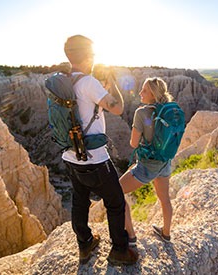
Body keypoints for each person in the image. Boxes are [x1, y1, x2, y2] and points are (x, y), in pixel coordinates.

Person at [62, 34, 138, 265]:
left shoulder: (63, 81)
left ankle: (84, 244)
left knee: (80, 199)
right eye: (93, 54)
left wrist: (97, 94)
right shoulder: (88, 82)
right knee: (115, 202)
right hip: (94, 158)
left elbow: (80, 107)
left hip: (70, 155)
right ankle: (119, 250)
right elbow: (117, 108)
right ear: (87, 55)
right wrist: (112, 82)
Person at [120, 77, 173, 245]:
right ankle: (166, 233)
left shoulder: (141, 113)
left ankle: (130, 237)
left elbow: (133, 143)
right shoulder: (169, 111)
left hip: (148, 165)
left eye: (144, 90)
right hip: (164, 162)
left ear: (153, 94)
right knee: (164, 198)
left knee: (116, 192)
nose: (140, 93)